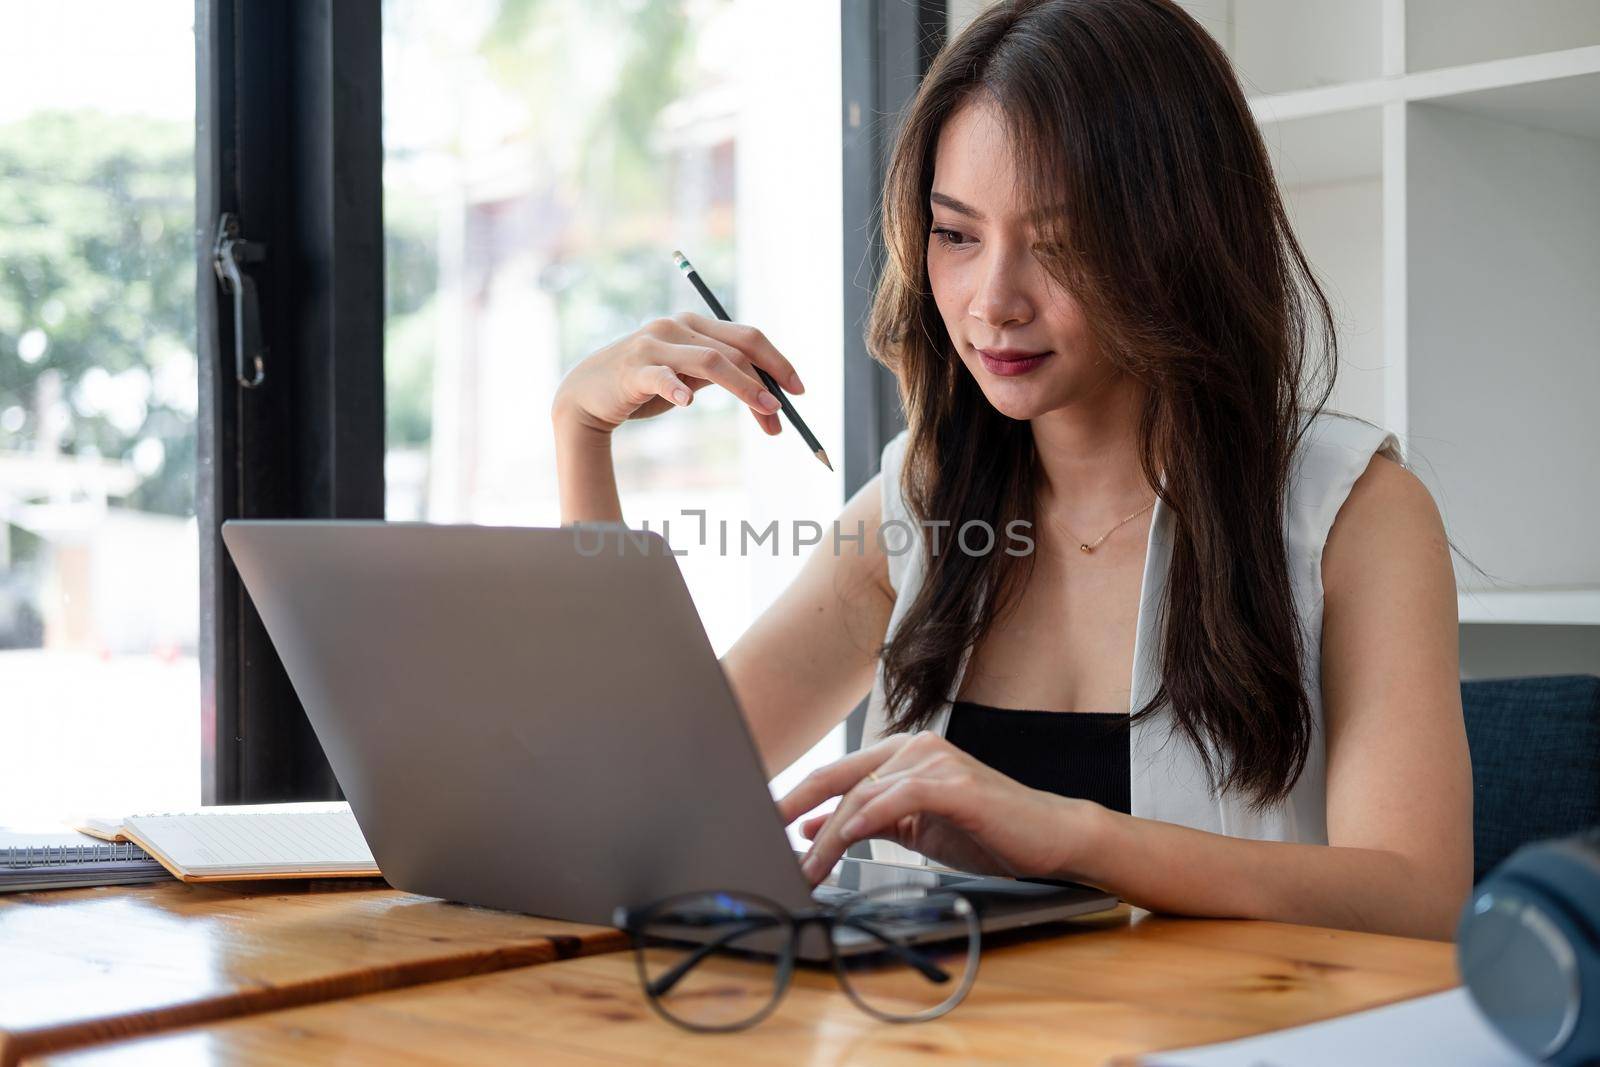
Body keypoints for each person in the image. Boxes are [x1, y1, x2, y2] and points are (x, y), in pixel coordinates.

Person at [551, 0, 1471, 941]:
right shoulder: (920, 505)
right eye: (956, 235)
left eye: (1061, 241)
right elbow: (645, 794)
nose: (993, 302)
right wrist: (582, 433)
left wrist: (1066, 835)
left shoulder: (1351, 516)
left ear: (1182, 237)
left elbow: (1417, 896)